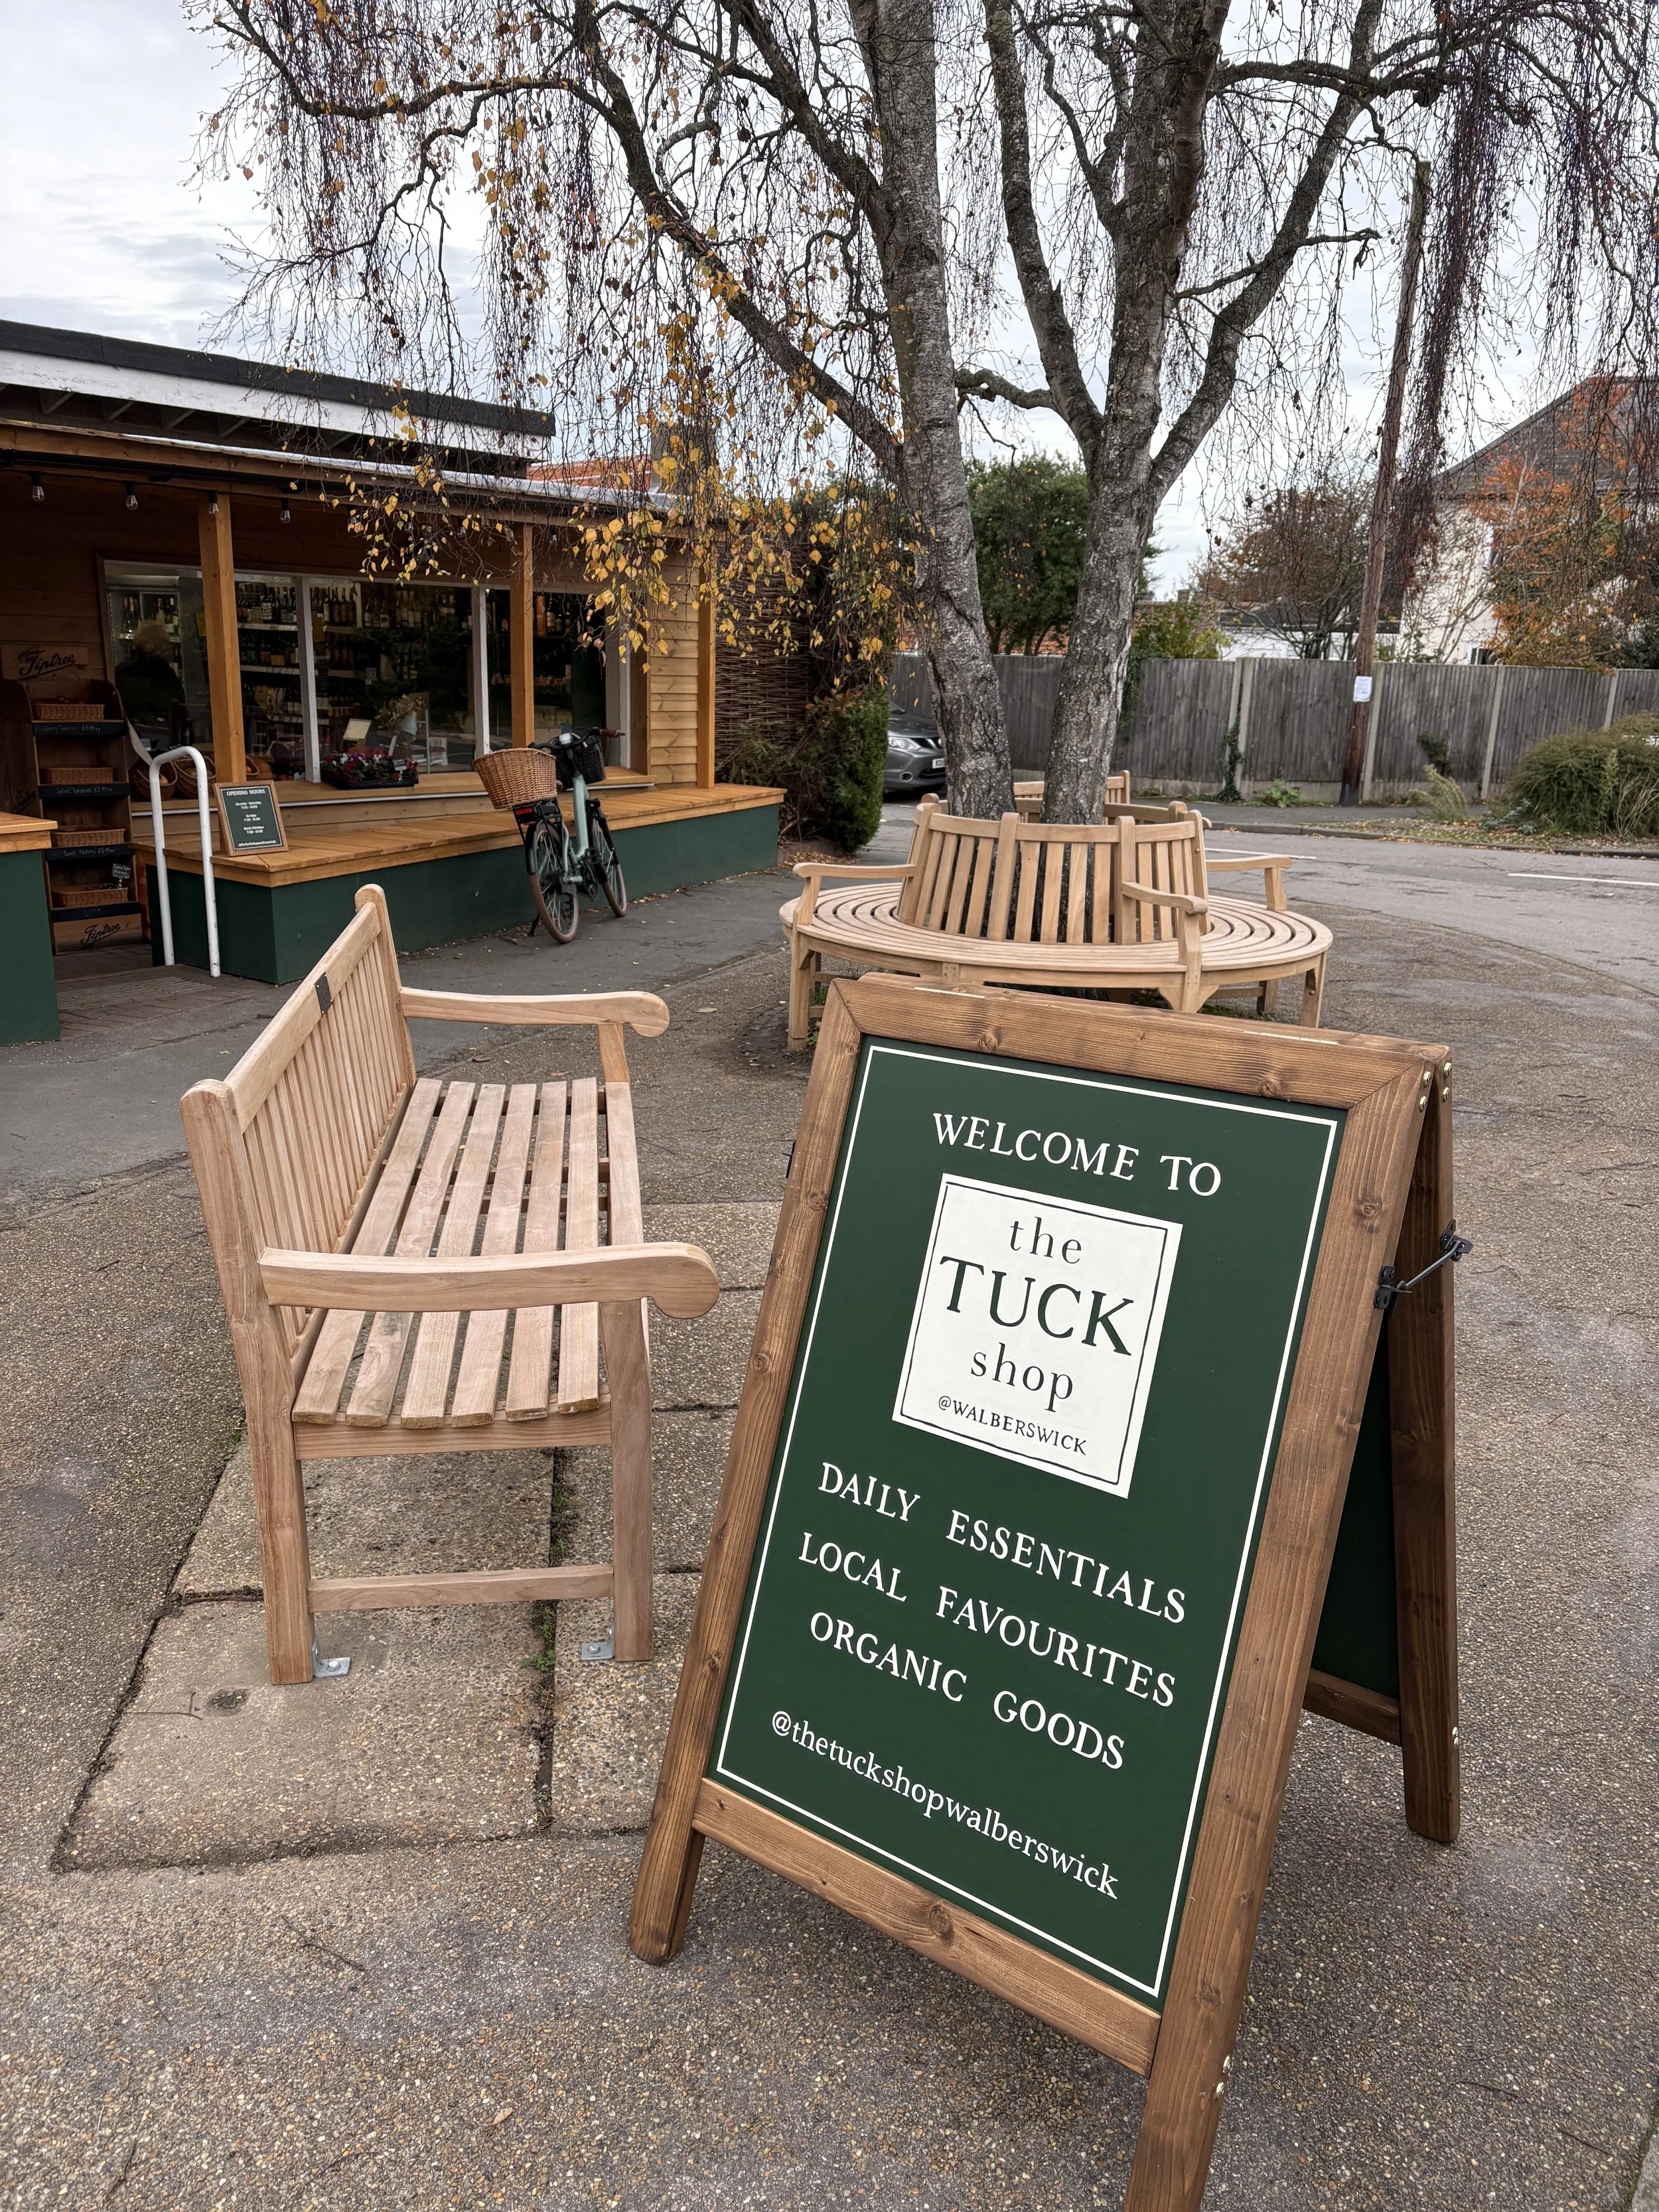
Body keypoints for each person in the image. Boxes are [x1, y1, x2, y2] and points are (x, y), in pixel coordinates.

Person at [114, 619, 184, 734]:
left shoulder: (123, 670)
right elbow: (177, 706)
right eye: (167, 644)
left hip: (131, 736)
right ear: (160, 646)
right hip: (162, 735)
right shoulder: (164, 674)